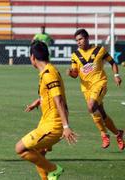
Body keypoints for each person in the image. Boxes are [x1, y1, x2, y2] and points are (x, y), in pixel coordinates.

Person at [16, 41, 77, 180]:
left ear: (33, 57)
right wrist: (38, 101)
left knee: (20, 149)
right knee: (39, 152)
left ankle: (54, 169)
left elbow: (59, 99)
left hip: (53, 125)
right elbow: (50, 93)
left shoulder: (49, 74)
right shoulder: (49, 71)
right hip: (46, 122)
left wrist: (66, 126)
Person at [67, 29, 124, 150]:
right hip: (86, 88)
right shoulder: (75, 55)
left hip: (100, 83)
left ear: (87, 38)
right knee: (101, 113)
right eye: (76, 40)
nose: (78, 42)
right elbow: (75, 74)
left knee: (91, 106)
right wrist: (71, 73)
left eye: (80, 39)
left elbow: (113, 62)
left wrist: (116, 75)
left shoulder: (99, 50)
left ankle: (104, 134)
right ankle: (118, 133)